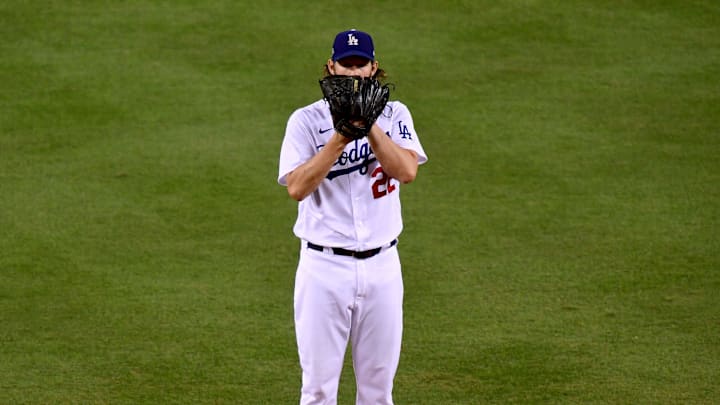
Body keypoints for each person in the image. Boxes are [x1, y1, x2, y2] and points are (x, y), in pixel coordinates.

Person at [277, 29, 428, 405]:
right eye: (347, 64)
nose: (355, 73)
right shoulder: (306, 121)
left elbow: (406, 171)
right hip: (323, 269)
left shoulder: (396, 115)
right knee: (317, 391)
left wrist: (370, 124)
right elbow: (296, 187)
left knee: (378, 392)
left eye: (362, 65)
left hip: (383, 268)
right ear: (332, 67)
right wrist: (340, 138)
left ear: (374, 68)